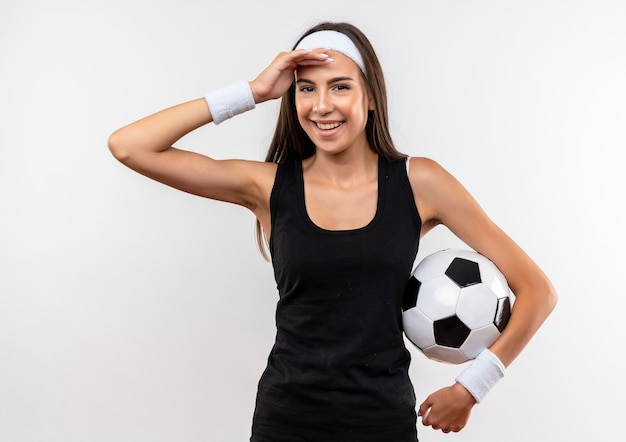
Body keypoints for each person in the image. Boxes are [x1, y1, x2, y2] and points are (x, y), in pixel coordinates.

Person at [108, 21, 557, 441]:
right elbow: (129, 146)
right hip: (285, 419)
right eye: (307, 89)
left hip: (381, 422)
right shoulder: (267, 185)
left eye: (340, 86)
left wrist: (472, 387)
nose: (322, 105)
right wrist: (253, 91)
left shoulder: (420, 183)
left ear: (371, 97)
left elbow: (537, 291)